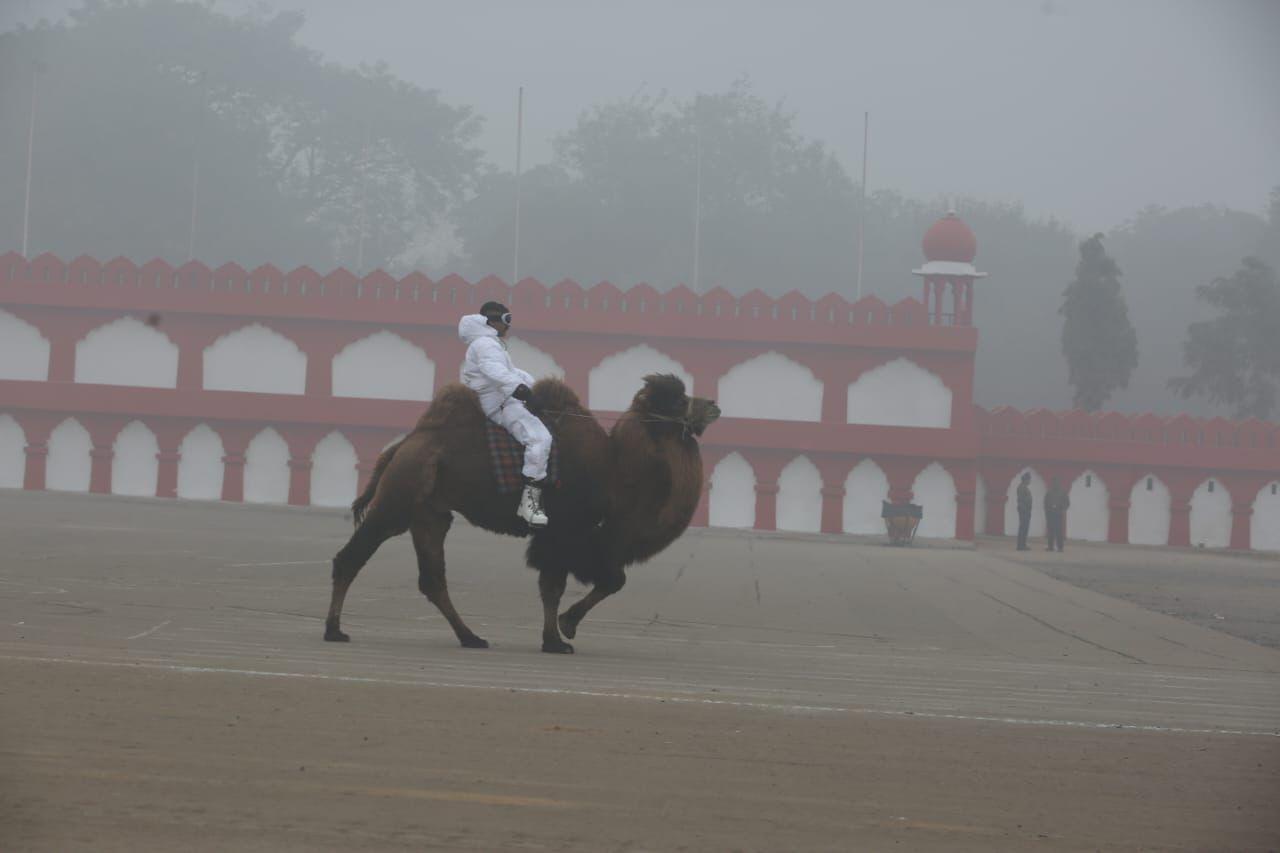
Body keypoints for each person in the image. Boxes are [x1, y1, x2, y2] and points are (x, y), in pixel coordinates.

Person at [458, 301, 551, 528]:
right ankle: (529, 503)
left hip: (503, 397)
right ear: (492, 322)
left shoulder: (488, 343)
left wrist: (533, 387)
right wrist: (523, 392)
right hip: (500, 403)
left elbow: (511, 372)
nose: (509, 327)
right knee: (540, 438)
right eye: (506, 320)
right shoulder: (486, 344)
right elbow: (496, 371)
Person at [1044, 476, 1070, 552]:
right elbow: (1045, 503)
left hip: (1058, 514)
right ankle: (1050, 546)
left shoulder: (1063, 492)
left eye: (1057, 482)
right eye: (1054, 482)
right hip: (1050, 514)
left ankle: (1060, 547)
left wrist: (1063, 509)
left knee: (1059, 531)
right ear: (1053, 483)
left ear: (1059, 483)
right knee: (1050, 531)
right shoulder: (1049, 492)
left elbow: (1067, 502)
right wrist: (1047, 512)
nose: (1055, 484)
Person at [1015, 472, 1032, 551]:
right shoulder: (1022, 487)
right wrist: (1025, 509)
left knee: (1025, 528)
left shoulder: (1024, 487)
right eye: (1029, 479)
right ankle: (1020, 545)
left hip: (1026, 510)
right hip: (1024, 510)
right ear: (1025, 480)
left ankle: (1023, 544)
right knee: (1023, 527)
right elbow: (1021, 500)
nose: (1030, 481)